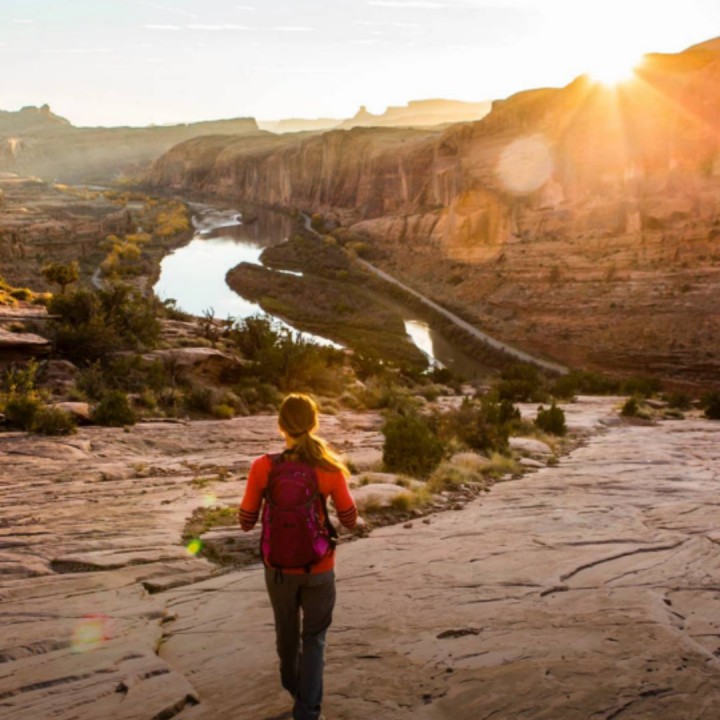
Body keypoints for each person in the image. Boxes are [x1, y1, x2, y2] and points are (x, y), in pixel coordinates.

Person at [239, 393, 359, 720]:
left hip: (278, 570)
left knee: (286, 635)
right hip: (320, 568)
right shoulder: (330, 468)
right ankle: (307, 710)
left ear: (281, 426)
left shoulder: (263, 467)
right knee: (315, 639)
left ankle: (293, 686)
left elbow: (246, 521)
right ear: (314, 423)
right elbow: (349, 519)